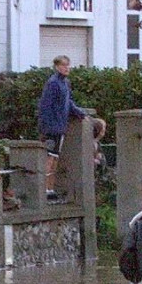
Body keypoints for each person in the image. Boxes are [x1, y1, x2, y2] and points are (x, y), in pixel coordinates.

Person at [36, 55, 86, 201]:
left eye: (68, 65)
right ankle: (45, 189)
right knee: (50, 158)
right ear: (57, 66)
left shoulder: (65, 83)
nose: (67, 68)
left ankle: (50, 189)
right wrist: (46, 127)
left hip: (60, 126)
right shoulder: (53, 83)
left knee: (55, 158)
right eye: (64, 65)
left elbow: (68, 102)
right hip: (52, 127)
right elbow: (45, 105)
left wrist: (79, 113)